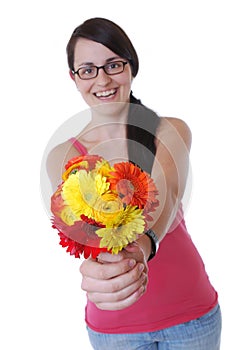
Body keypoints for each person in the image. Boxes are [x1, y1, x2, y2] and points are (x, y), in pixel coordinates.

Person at [47, 17, 222, 350]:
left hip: (190, 314)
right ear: (73, 77)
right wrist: (95, 272)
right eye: (88, 69)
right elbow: (82, 231)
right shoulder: (64, 155)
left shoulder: (169, 129)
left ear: (131, 67)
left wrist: (144, 245)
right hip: (113, 324)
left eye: (113, 64)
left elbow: (167, 191)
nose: (102, 79)